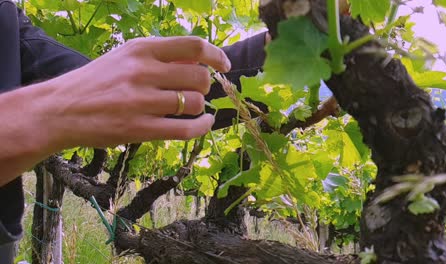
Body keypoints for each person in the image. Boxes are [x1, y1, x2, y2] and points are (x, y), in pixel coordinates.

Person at [0, 1, 268, 262]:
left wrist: (280, 52)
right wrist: (46, 112)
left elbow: (129, 97)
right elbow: (76, 99)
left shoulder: (6, 21)